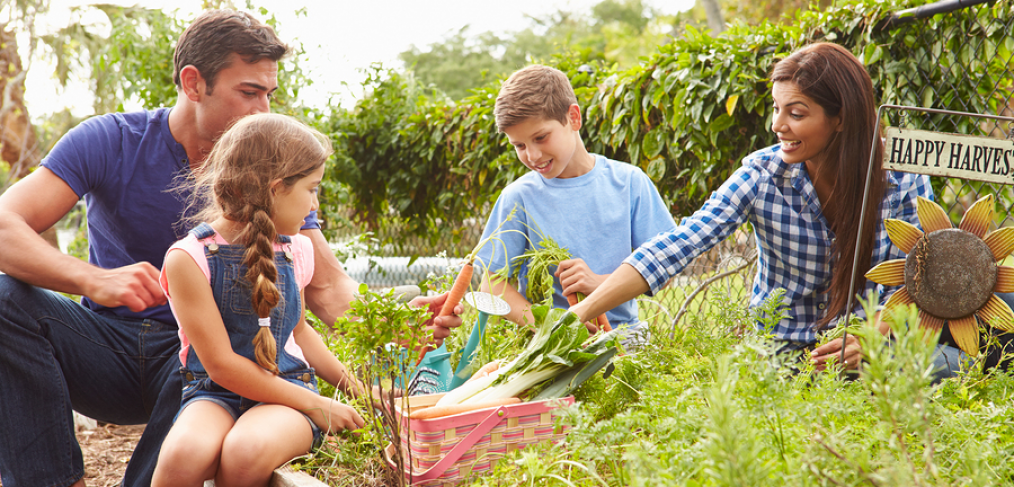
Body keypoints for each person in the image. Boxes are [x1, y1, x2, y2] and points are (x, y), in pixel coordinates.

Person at [0, 9, 459, 487]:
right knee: (3, 298)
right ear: (194, 83)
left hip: (202, 363)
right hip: (108, 349)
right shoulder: (109, 140)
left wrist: (402, 325)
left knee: (210, 361)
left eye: (269, 94)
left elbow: (323, 290)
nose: (263, 110)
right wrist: (90, 278)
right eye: (248, 92)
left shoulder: (272, 169)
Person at [568, 42, 964, 375]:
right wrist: (581, 313)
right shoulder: (762, 175)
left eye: (796, 113)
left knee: (950, 367)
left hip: (871, 353)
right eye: (776, 109)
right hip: (778, 356)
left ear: (840, 118)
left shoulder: (900, 180)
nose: (778, 125)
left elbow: (918, 280)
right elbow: (680, 244)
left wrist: (870, 337)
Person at [152, 113, 364, 486]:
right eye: (312, 189)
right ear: (277, 187)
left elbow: (300, 332)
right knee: (181, 459)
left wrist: (354, 391)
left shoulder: (296, 249)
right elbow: (221, 366)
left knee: (244, 453)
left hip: (288, 394)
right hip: (214, 393)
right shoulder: (189, 258)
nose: (315, 205)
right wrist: (321, 406)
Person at [474, 64, 676, 348]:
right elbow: (492, 286)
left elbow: (665, 267)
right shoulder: (518, 197)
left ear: (573, 117)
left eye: (541, 137)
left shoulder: (629, 182)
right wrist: (549, 327)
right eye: (519, 146)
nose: (532, 155)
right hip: (548, 347)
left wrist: (599, 285)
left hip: (623, 340)